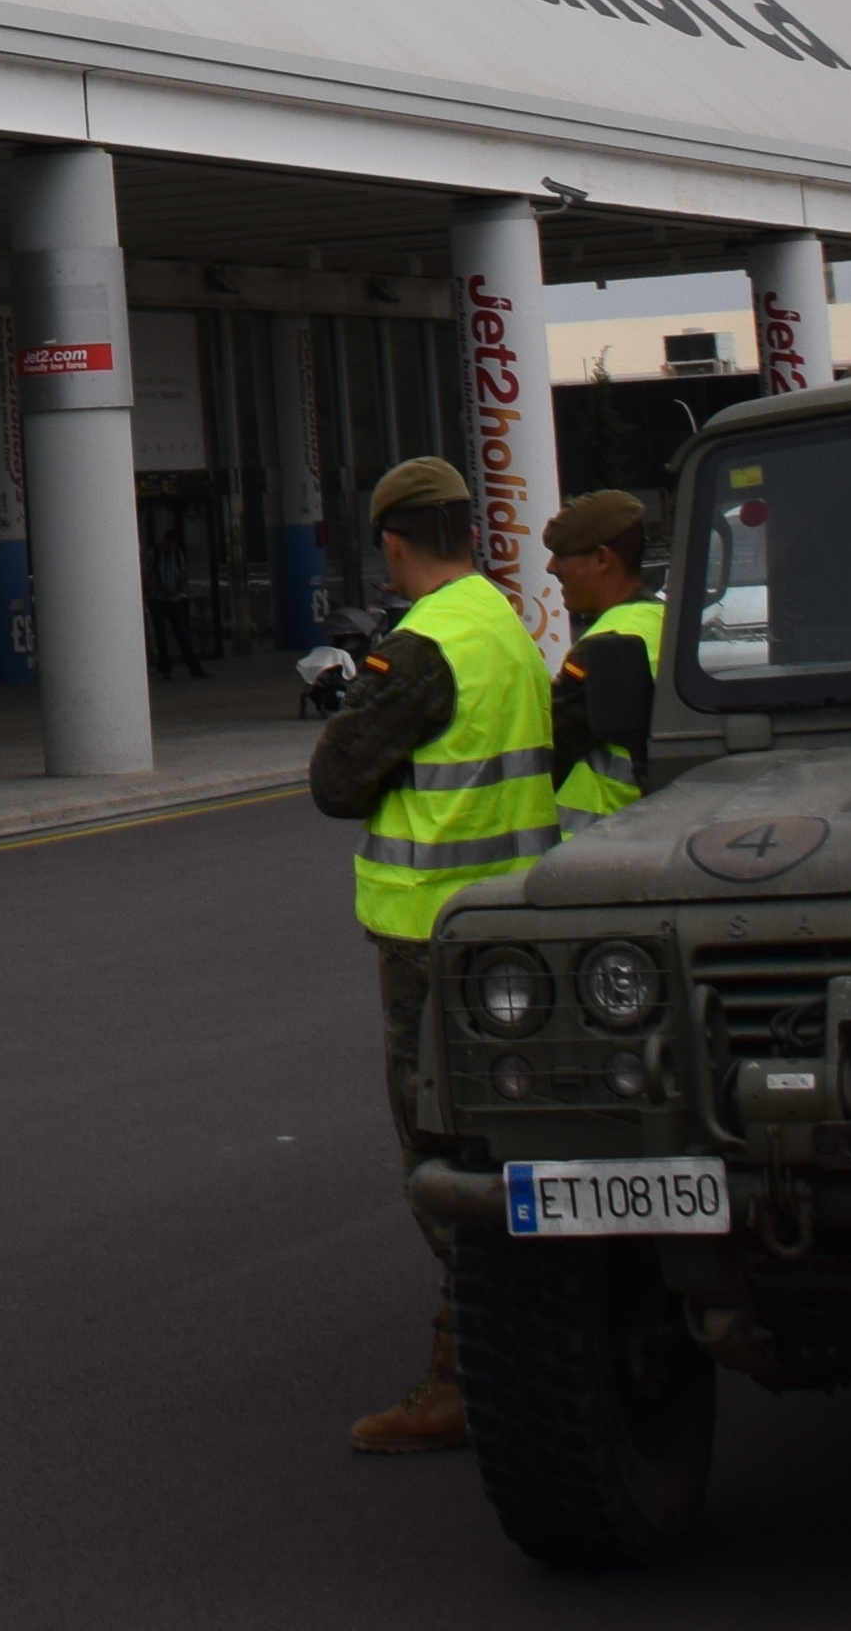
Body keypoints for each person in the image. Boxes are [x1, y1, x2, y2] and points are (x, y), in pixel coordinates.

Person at [301, 456, 554, 1458]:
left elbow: (338, 779)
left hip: (430, 935)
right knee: (511, 1138)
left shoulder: (424, 644)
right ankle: (536, 1343)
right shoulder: (504, 622)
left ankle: (469, 1369)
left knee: (441, 1155)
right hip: (514, 922)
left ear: (395, 546)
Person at [543, 489, 658, 826]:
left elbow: (546, 753)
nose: (551, 567)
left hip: (595, 843)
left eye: (561, 555)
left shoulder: (601, 646)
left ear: (602, 559)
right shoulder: (663, 621)